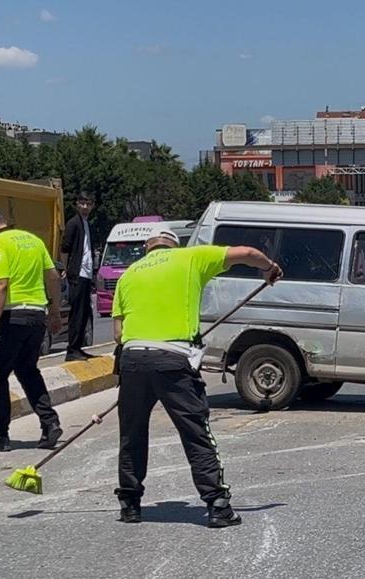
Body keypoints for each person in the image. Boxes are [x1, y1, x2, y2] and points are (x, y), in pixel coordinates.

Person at [112, 227, 283, 527]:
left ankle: (130, 505)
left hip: (133, 358)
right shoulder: (190, 257)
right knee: (195, 432)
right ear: (174, 245)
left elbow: (118, 333)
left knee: (132, 434)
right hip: (173, 359)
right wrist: (269, 269)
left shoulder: (128, 275)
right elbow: (247, 253)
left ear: (147, 247)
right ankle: (218, 505)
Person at [0, 208, 64, 452]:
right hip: (36, 315)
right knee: (28, 371)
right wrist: (55, 311)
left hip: (10, 317)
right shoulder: (34, 241)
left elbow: (0, 285)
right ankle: (50, 423)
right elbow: (53, 277)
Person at [61, 192, 95, 361]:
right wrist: (65, 268)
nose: (85, 207)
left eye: (88, 204)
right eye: (82, 203)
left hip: (87, 273)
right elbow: (65, 247)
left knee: (85, 311)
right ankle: (72, 349)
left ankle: (78, 347)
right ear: (77, 205)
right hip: (77, 273)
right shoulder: (73, 223)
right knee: (77, 312)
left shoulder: (86, 223)